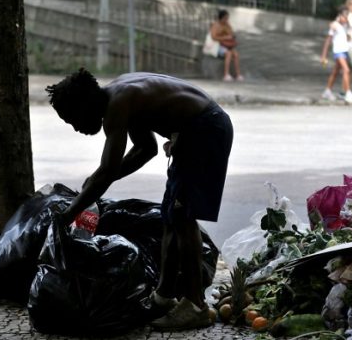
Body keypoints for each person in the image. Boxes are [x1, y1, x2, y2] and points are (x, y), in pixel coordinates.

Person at [46, 68, 233, 330]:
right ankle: (163, 297)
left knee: (183, 218)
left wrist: (69, 214)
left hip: (205, 130)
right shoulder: (120, 95)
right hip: (195, 131)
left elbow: (109, 169)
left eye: (72, 119)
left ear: (84, 104)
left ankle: (195, 305)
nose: (76, 128)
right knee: (171, 218)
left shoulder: (119, 103)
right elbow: (146, 149)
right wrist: (97, 181)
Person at [320, 6, 352, 104]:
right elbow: (328, 40)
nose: (346, 18)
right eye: (345, 16)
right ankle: (348, 93)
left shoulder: (345, 25)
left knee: (335, 71)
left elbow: (349, 37)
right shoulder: (335, 25)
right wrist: (323, 55)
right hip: (338, 51)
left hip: (344, 51)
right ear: (340, 16)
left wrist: (348, 29)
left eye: (347, 16)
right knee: (346, 70)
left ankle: (327, 91)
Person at [209, 9, 243, 82]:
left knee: (236, 54)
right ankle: (226, 74)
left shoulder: (227, 25)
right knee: (228, 53)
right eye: (225, 18)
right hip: (217, 46)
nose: (226, 20)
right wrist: (225, 37)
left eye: (227, 18)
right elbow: (213, 37)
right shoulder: (215, 25)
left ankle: (238, 74)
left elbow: (231, 33)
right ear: (221, 18)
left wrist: (228, 32)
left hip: (226, 45)